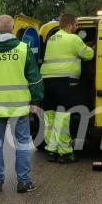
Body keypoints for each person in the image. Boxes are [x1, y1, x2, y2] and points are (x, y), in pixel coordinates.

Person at [0, 15, 43, 193]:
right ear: (13, 29)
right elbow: (34, 79)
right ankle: (24, 182)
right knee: (22, 144)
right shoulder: (23, 49)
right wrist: (35, 101)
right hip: (19, 105)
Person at [40, 13, 94, 163]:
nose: (77, 28)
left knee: (50, 115)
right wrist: (92, 47)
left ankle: (51, 150)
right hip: (64, 82)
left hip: (46, 80)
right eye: (76, 25)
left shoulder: (52, 38)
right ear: (70, 26)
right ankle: (65, 153)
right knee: (62, 116)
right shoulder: (74, 39)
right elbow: (88, 55)